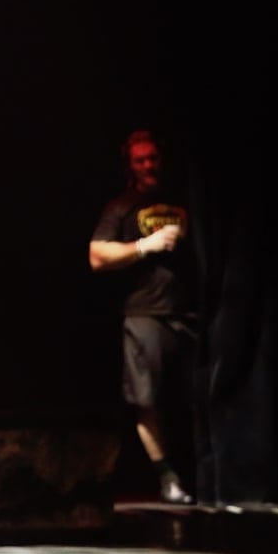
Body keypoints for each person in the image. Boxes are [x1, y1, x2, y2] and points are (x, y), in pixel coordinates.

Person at [88, 129, 200, 505]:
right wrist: (143, 245)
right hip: (145, 313)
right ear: (130, 166)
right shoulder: (121, 207)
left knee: (196, 397)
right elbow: (97, 256)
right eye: (141, 160)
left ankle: (201, 474)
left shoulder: (186, 200)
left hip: (189, 313)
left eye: (153, 157)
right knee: (147, 398)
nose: (149, 165)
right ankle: (167, 477)